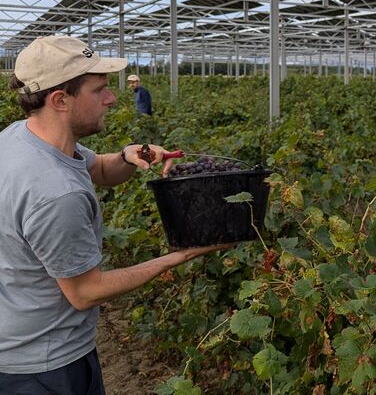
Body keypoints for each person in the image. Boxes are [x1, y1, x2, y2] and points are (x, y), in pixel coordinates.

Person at [0, 36, 229, 393]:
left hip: (19, 338)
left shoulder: (23, 138)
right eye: (100, 90)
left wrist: (127, 156)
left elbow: (101, 170)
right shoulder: (55, 192)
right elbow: (86, 291)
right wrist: (176, 257)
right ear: (60, 100)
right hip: (45, 368)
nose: (112, 98)